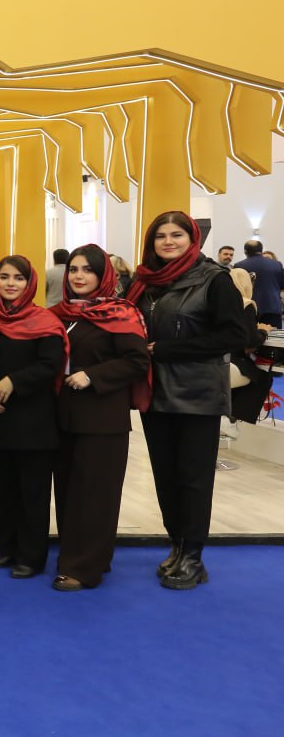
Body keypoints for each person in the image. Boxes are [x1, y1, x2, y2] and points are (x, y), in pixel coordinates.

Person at [129, 213, 250, 590]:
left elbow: (235, 335)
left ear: (192, 238)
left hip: (197, 393)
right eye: (160, 236)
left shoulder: (215, 280)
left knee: (193, 479)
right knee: (165, 477)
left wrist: (168, 350)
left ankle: (194, 556)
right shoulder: (144, 282)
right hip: (154, 392)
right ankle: (178, 545)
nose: (168, 241)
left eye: (177, 234)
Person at [51, 244, 150, 592]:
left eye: (88, 270)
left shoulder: (120, 313)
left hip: (102, 418)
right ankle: (84, 555)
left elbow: (137, 361)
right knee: (68, 492)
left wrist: (92, 375)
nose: (79, 276)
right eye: (74, 270)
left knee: (95, 494)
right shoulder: (59, 313)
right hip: (63, 418)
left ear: (103, 274)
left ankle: (83, 569)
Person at [0, 256, 67, 579]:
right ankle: (8, 547)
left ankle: (31, 556)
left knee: (33, 492)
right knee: (6, 488)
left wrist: (13, 381)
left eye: (18, 278)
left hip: (34, 421)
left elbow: (50, 364)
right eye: (4, 277)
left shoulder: (45, 321)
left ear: (30, 284)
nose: (10, 283)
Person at [226, 267, 272, 433]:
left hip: (210, 360)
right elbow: (251, 340)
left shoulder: (215, 302)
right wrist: (263, 331)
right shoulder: (246, 304)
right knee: (262, 378)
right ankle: (238, 423)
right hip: (231, 361)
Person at [234, 240, 284, 328]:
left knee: (251, 335)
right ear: (261, 250)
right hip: (272, 307)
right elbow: (282, 285)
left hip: (249, 308)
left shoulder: (239, 265)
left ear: (245, 251)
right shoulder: (277, 264)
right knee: (274, 335)